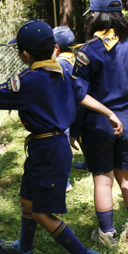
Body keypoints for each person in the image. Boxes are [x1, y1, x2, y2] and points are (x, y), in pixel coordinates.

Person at [0, 20, 123, 254]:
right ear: (54, 48)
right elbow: (83, 96)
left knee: (41, 212)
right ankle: (24, 249)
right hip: (45, 148)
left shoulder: (30, 80)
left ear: (25, 54)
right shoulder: (63, 73)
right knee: (27, 199)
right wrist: (109, 112)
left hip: (49, 150)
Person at [71, 0, 128, 249]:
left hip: (99, 121)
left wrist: (75, 128)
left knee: (102, 179)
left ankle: (107, 235)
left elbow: (79, 94)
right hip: (127, 117)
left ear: (95, 15)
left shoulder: (87, 50)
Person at [52, 26, 78, 192]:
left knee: (61, 145)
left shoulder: (59, 64)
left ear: (56, 48)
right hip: (77, 109)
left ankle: (63, 181)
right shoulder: (75, 59)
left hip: (63, 112)